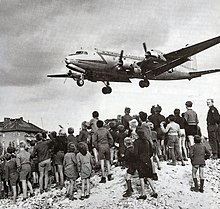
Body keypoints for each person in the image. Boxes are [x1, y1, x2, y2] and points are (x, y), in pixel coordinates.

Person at [134, 128, 158, 200]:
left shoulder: (136, 142)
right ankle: (154, 191)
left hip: (140, 160)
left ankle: (143, 193)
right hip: (147, 159)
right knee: (148, 176)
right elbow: (151, 151)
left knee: (141, 177)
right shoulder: (147, 141)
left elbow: (136, 153)